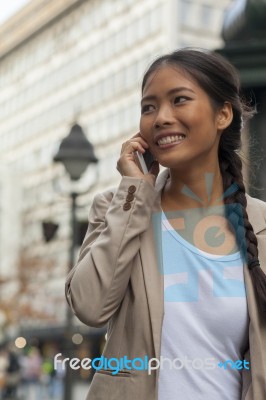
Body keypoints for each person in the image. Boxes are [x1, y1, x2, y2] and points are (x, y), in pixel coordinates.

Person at [65, 48, 266, 400]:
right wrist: (133, 194)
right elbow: (89, 307)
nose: (161, 118)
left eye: (180, 100)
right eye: (149, 107)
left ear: (222, 115)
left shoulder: (261, 224)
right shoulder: (117, 208)